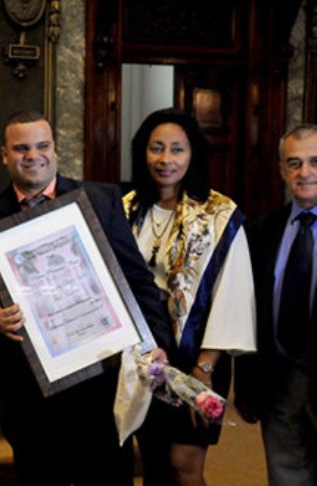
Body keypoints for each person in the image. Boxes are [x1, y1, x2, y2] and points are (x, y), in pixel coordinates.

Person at [0, 110, 174, 485]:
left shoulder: (101, 199)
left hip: (101, 382)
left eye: (42, 145)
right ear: (4, 155)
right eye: (21, 148)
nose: (33, 155)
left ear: (55, 151)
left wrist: (154, 340)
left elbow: (137, 280)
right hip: (27, 392)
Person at [123, 108, 256, 486]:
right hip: (143, 357)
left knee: (184, 462)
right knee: (152, 458)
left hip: (196, 355)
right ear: (143, 153)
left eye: (177, 150)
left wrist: (206, 367)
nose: (166, 160)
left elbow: (232, 293)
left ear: (193, 154)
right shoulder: (126, 209)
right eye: (156, 149)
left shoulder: (219, 214)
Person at [235, 124, 317, 486]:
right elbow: (249, 313)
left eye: (315, 162)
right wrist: (247, 386)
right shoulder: (261, 232)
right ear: (282, 170)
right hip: (279, 380)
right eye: (295, 163)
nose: (305, 172)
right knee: (286, 474)